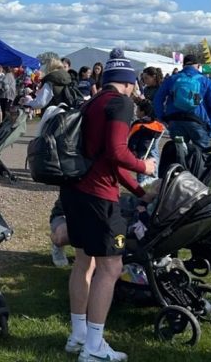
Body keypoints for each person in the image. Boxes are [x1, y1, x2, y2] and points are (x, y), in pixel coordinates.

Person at [62, 49, 155, 362]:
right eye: (133, 83)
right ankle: (94, 346)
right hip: (99, 197)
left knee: (83, 261)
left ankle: (78, 335)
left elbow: (105, 157)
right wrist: (145, 167)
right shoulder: (120, 102)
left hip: (74, 191)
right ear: (127, 83)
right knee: (110, 267)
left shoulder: (91, 102)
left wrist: (138, 191)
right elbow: (117, 153)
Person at [152, 54, 211, 150]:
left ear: (183, 65)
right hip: (198, 120)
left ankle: (179, 163)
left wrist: (162, 116)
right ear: (198, 66)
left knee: (178, 151)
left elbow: (158, 99)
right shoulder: (205, 80)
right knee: (201, 153)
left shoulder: (172, 79)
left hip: (174, 119)